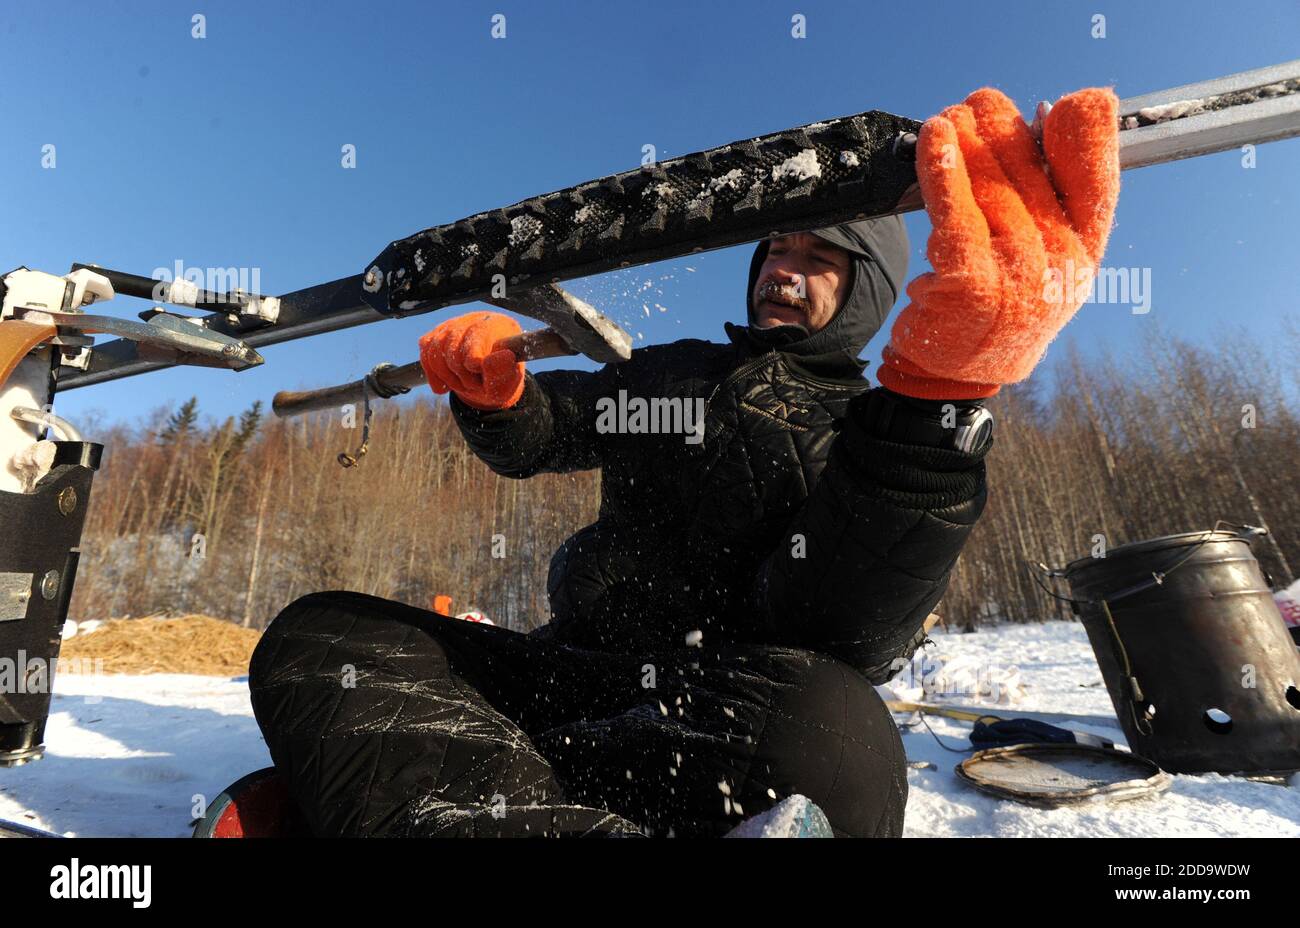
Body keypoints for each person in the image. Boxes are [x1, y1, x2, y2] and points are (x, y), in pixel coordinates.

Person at [249, 87, 1119, 837]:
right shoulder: (674, 372)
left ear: (870, 293)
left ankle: (429, 792)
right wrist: (496, 398)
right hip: (572, 682)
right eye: (776, 248)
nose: (785, 269)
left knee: (836, 731)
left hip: (715, 715)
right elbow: (553, 433)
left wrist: (936, 405)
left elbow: (846, 631)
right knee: (318, 636)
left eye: (821, 259)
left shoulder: (877, 421)